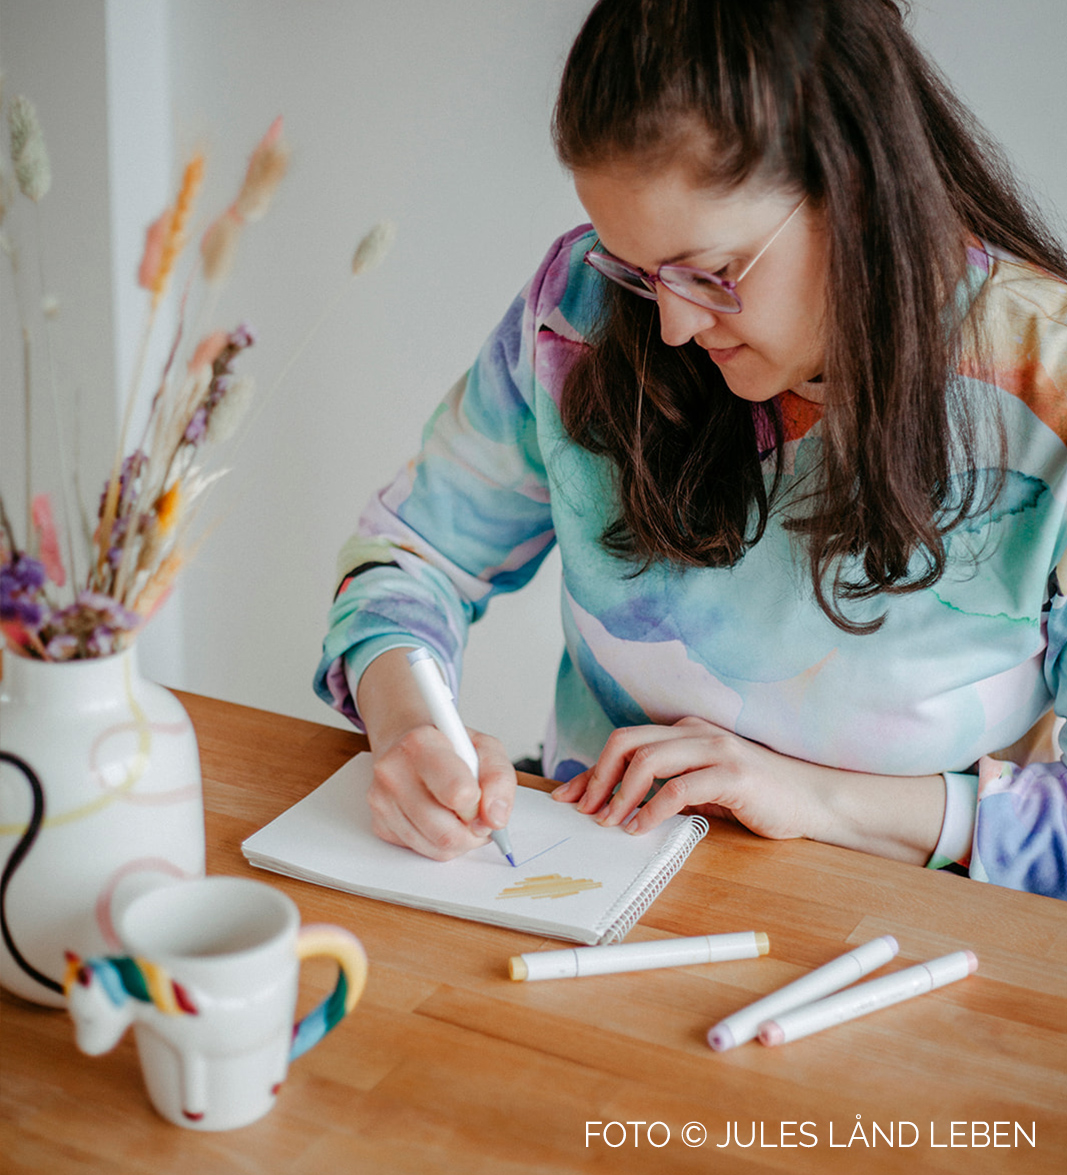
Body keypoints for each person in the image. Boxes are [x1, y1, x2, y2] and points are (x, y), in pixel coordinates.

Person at [315, 0, 1067, 899]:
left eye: (709, 273)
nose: (671, 325)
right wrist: (408, 725)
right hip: (587, 895)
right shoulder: (581, 313)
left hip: (903, 939)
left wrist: (814, 798)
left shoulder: (1047, 390)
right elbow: (411, 557)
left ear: (856, 186)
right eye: (638, 269)